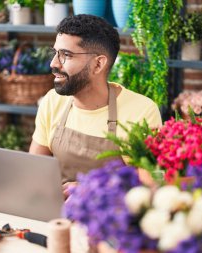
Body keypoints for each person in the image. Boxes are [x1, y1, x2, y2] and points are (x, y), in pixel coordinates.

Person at [29, 14, 162, 194]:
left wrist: (91, 189)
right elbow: (34, 169)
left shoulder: (142, 111)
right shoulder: (53, 101)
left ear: (98, 64)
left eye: (66, 55)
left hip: (112, 217)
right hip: (56, 214)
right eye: (55, 53)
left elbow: (150, 186)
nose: (54, 63)